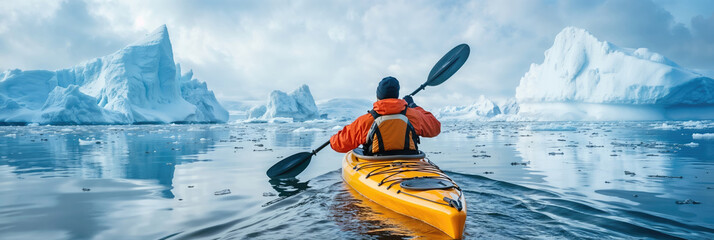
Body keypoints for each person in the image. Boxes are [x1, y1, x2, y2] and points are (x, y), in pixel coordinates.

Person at [330, 76, 440, 155]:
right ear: (396, 96)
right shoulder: (414, 116)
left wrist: (333, 139)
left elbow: (338, 145)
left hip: (375, 166)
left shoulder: (366, 121)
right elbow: (435, 127)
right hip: (409, 162)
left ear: (378, 96)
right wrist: (413, 106)